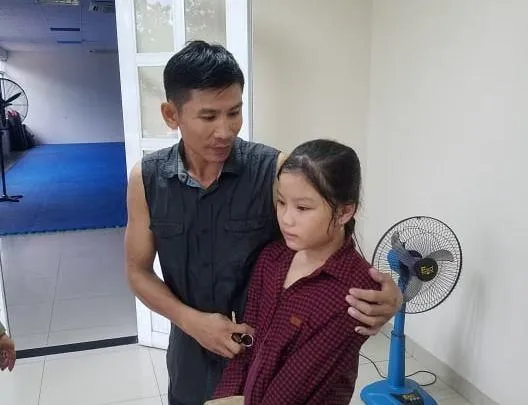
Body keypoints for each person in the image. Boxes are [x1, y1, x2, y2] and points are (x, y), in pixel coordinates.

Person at [125, 40, 403, 405]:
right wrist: (192, 321)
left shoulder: (273, 170)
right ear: (171, 114)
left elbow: (327, 240)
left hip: (268, 359)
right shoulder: (146, 179)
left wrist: (387, 296)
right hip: (189, 356)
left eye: (234, 112)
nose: (225, 130)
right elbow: (138, 271)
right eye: (208, 117)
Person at [213, 139, 379, 404]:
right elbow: (247, 339)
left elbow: (294, 387)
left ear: (344, 212)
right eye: (281, 202)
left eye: (302, 208)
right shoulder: (272, 258)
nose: (286, 219)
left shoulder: (355, 291)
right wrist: (227, 395)